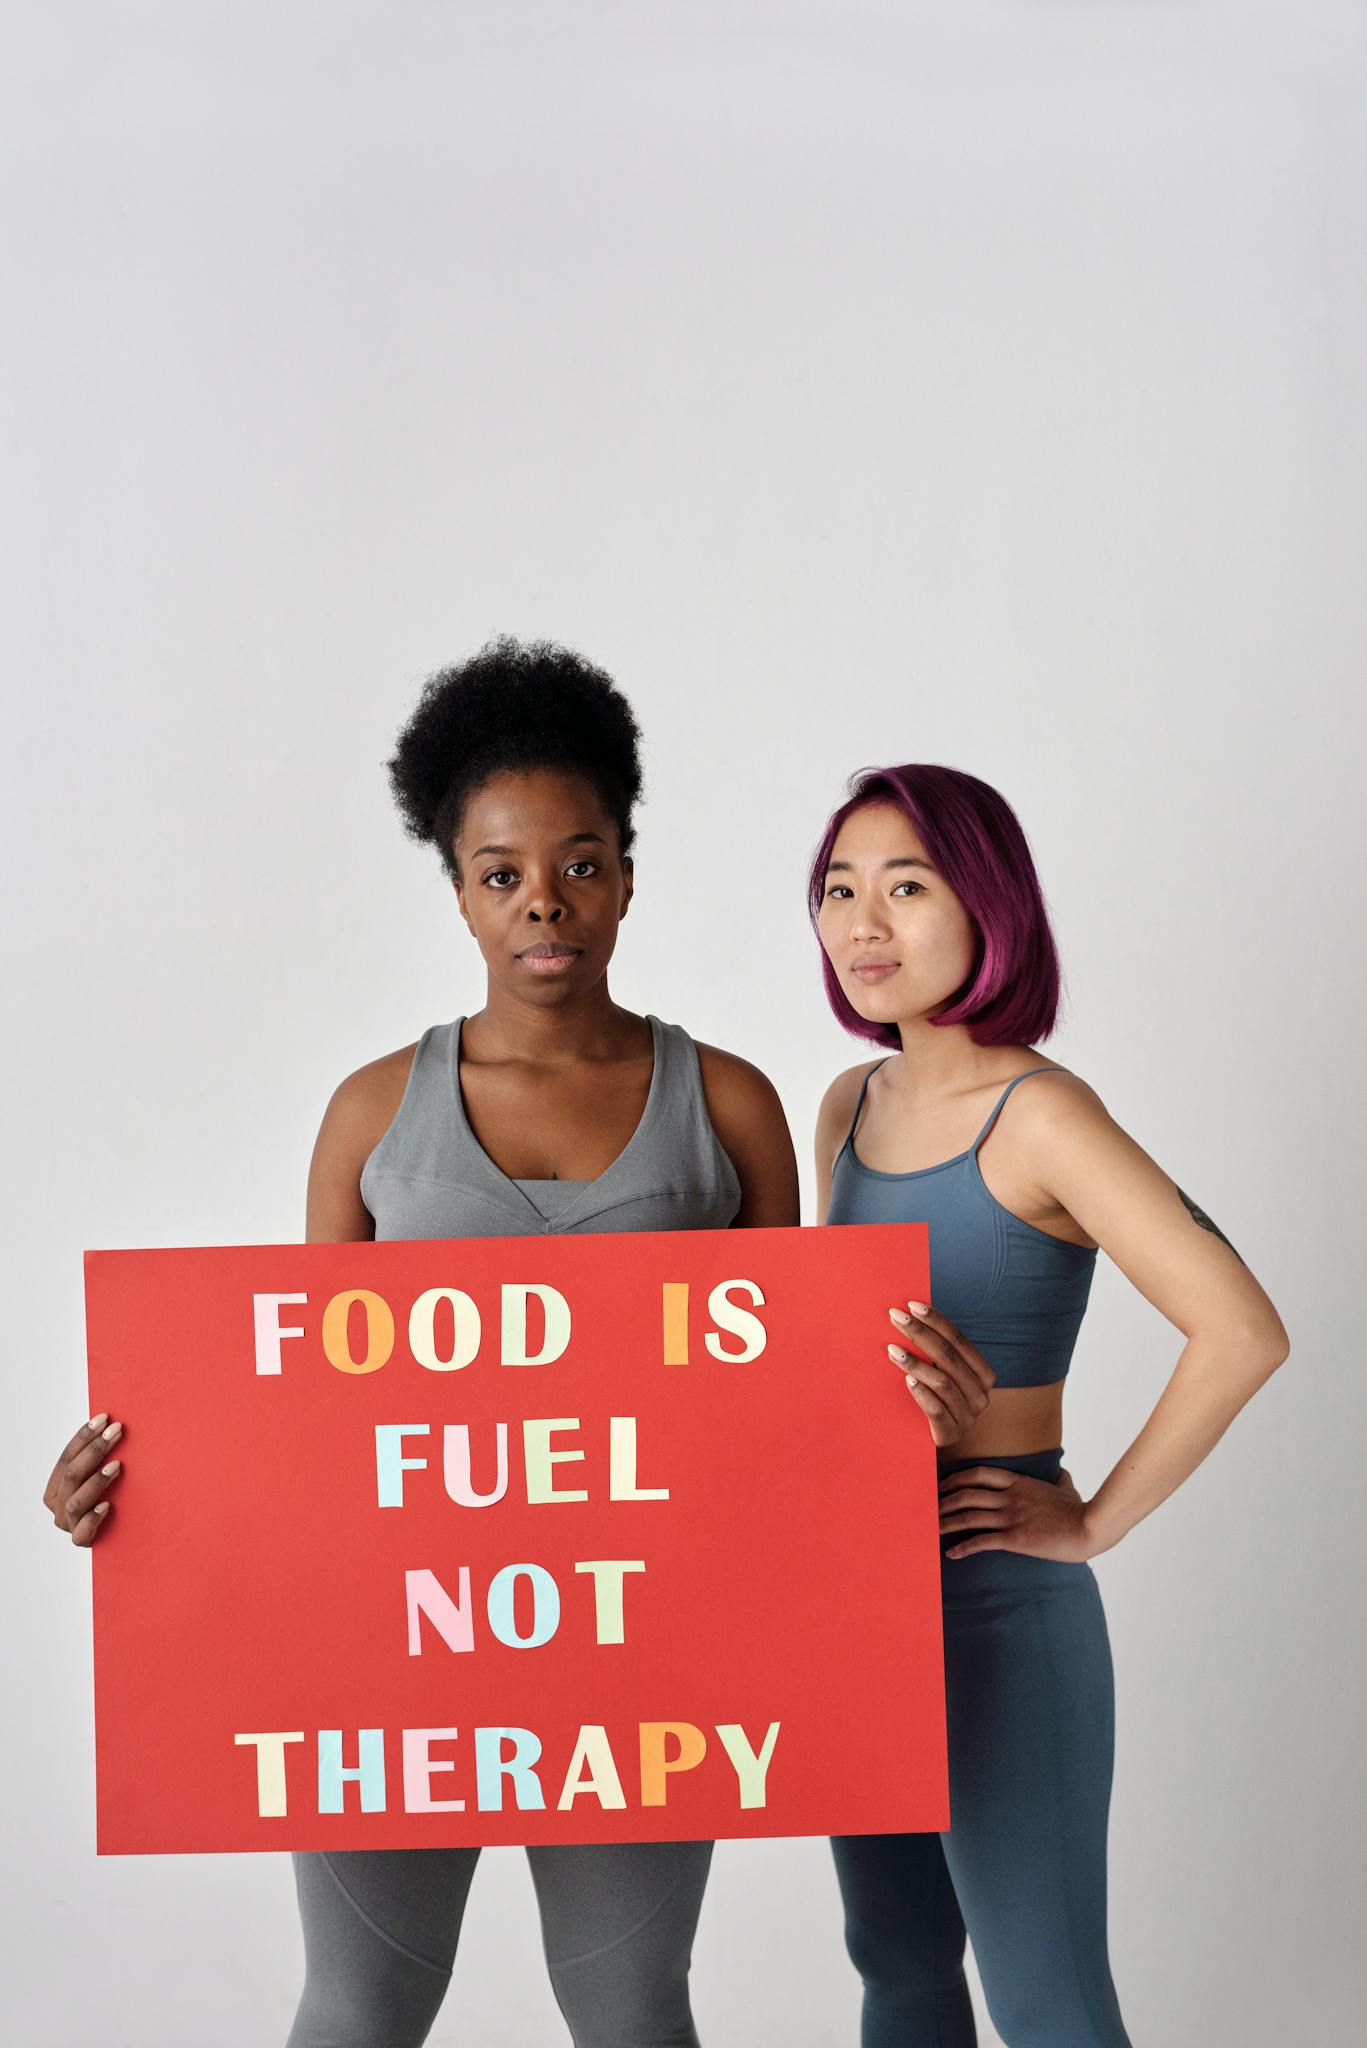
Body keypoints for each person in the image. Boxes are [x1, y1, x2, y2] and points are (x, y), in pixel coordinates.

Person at [43, 642, 993, 2046]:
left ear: (625, 868)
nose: (543, 901)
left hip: (643, 1664)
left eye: (581, 861)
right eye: (500, 873)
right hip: (390, 1666)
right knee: (360, 2009)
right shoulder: (373, 1115)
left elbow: (788, 1419)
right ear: (456, 888)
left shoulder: (723, 1106)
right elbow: (303, 1422)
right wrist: (138, 1497)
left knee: (627, 2012)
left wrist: (916, 1408)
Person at [810, 762, 1289, 2048]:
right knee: (898, 1971)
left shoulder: (1042, 1116)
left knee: (1047, 2000)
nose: (863, 923)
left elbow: (1240, 1329)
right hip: (861, 1601)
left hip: (995, 1600)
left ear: (985, 906)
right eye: (838, 889)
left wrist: (1089, 1521)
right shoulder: (843, 1109)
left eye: (904, 886)